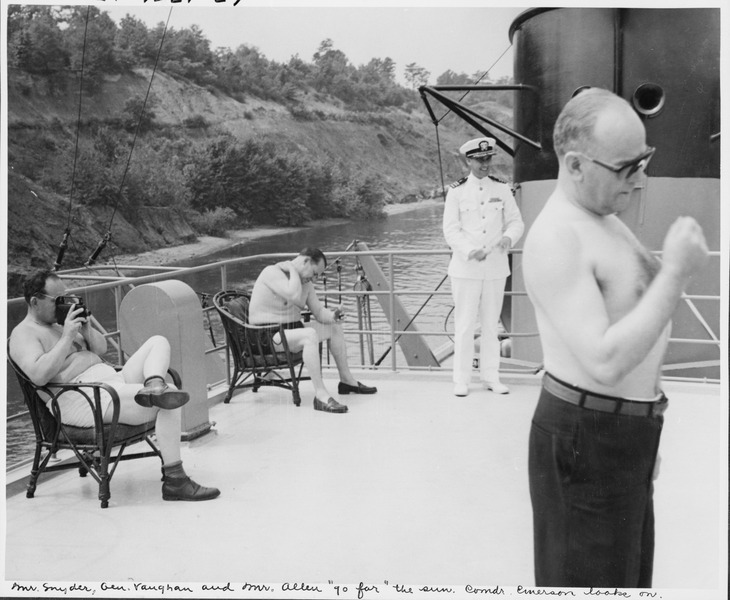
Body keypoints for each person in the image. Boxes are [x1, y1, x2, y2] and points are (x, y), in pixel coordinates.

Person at [522, 88, 709, 587]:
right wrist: (676, 276)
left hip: (623, 438)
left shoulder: (601, 219)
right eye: (628, 167)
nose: (642, 178)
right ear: (577, 165)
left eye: (644, 160)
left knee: (625, 582)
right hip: (587, 441)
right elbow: (603, 361)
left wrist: (642, 433)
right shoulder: (556, 237)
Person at [9, 269, 220, 502]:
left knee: (158, 342)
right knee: (169, 400)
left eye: (66, 297)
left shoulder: (60, 324)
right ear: (35, 301)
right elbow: (39, 376)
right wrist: (68, 336)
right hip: (83, 398)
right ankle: (175, 481)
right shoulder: (23, 335)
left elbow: (100, 350)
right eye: (58, 300)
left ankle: (154, 385)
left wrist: (86, 328)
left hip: (109, 381)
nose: (64, 305)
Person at [248, 247, 377, 414]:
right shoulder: (272, 273)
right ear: (305, 261)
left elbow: (319, 312)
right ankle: (321, 396)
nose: (314, 278)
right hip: (266, 336)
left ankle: (346, 381)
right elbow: (293, 295)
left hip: (290, 331)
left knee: (334, 328)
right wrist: (293, 269)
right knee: (309, 335)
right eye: (315, 273)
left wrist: (334, 316)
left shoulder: (306, 283)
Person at [443, 136, 524, 397]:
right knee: (465, 325)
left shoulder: (501, 189)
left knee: (491, 326)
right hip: (465, 269)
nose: (484, 164)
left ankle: (491, 377)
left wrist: (508, 238)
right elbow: (450, 230)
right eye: (479, 160)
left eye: (488, 159)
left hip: (496, 269)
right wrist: (469, 251)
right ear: (468, 161)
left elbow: (516, 223)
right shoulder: (456, 191)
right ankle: (461, 380)